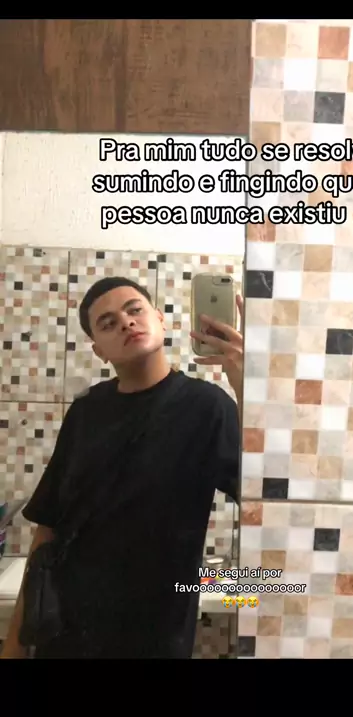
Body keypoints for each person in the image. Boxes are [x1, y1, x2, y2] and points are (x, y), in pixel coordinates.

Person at [0, 276, 244, 659]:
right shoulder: (86, 411)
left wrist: (249, 388)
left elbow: (265, 497)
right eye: (108, 323)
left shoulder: (208, 407)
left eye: (134, 310)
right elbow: (48, 526)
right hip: (64, 632)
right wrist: (14, 646)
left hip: (153, 635)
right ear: (99, 350)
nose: (126, 323)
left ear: (160, 319)